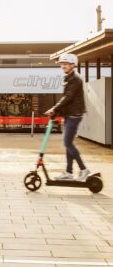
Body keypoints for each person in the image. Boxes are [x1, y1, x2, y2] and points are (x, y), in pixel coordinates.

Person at [45, 53, 90, 181]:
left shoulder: (75, 79)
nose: (63, 66)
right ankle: (69, 173)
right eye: (62, 64)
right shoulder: (69, 78)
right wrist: (57, 112)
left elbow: (68, 97)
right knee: (68, 143)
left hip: (74, 115)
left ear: (72, 65)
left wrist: (54, 108)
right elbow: (68, 100)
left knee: (67, 143)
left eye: (65, 64)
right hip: (70, 114)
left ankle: (84, 169)